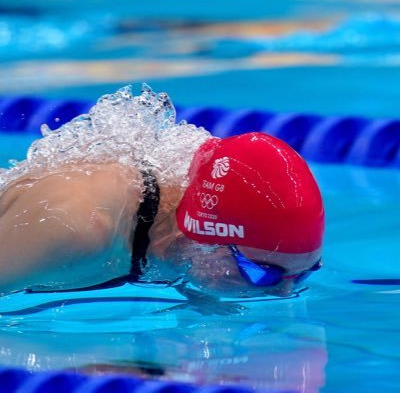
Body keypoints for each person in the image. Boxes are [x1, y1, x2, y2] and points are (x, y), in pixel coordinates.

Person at [0, 85, 324, 298]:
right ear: (203, 238)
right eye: (262, 275)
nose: (286, 294)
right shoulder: (75, 228)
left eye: (305, 274)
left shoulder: (175, 231)